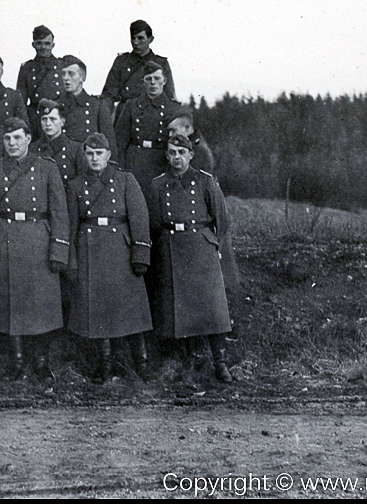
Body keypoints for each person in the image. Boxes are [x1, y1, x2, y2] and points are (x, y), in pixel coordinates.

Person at [0, 117, 70, 381]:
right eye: (7, 138)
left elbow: (59, 214)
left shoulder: (46, 168)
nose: (12, 143)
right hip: (5, 238)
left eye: (17, 138)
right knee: (11, 306)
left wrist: (58, 251)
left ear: (28, 139)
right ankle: (17, 361)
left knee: (40, 305)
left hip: (38, 240)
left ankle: (41, 362)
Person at [66, 133, 153, 383]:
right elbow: (71, 226)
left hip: (121, 252)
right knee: (98, 313)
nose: (94, 158)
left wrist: (140, 254)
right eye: (90, 154)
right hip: (90, 251)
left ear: (108, 155)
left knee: (133, 310)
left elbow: (139, 217)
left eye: (99, 153)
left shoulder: (125, 180)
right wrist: (71, 261)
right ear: (85, 156)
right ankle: (105, 364)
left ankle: (141, 363)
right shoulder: (75, 185)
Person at [147, 135, 233, 383]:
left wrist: (213, 245)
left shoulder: (205, 181)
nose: (176, 157)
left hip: (202, 249)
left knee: (213, 310)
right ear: (166, 155)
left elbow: (222, 219)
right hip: (174, 249)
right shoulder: (158, 185)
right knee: (181, 312)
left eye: (181, 152)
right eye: (172, 152)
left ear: (191, 155)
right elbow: (154, 222)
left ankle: (221, 364)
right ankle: (189, 363)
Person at [168, 111, 239, 291]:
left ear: (187, 128)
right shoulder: (192, 146)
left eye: (173, 130)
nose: (170, 135)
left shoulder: (198, 152)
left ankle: (228, 288)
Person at [114, 60, 185, 189]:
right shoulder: (131, 105)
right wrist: (120, 169)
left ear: (164, 81)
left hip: (161, 163)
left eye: (157, 78)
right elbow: (120, 140)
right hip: (135, 162)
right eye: (149, 79)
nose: (153, 83)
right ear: (143, 82)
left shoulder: (173, 108)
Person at [101, 19, 176, 121]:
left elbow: (169, 96)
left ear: (150, 39)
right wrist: (103, 120)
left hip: (152, 116)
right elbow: (109, 95)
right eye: (133, 38)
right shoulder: (121, 62)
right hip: (125, 116)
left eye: (140, 38)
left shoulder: (161, 63)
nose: (136, 42)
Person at [16, 25, 63, 141]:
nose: (43, 47)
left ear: (53, 45)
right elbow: (20, 101)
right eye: (39, 43)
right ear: (33, 45)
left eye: (47, 43)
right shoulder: (26, 68)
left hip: (58, 118)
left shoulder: (62, 66)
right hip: (35, 120)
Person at [58, 54, 115, 150]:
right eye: (63, 74)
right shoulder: (56, 105)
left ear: (83, 78)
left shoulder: (97, 106)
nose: (66, 78)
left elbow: (109, 142)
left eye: (71, 74)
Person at [30, 99, 86, 187]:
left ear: (62, 121)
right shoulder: (32, 149)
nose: (48, 123)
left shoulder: (76, 149)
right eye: (44, 119)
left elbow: (82, 183)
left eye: (53, 119)